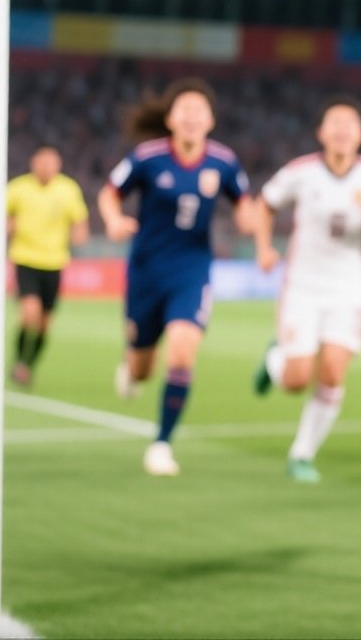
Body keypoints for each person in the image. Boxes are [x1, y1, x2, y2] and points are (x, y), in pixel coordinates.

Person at [98, 78, 255, 477]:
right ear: (170, 119)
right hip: (147, 271)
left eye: (199, 111)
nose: (191, 117)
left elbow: (244, 203)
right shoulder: (147, 157)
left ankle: (162, 444)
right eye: (184, 110)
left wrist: (248, 220)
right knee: (142, 368)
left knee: (183, 353)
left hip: (192, 271)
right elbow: (110, 192)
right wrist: (114, 220)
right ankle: (131, 369)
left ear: (211, 121)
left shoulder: (223, 161)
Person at [251, 98, 361, 483]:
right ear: (321, 132)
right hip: (303, 284)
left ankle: (302, 454)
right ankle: (274, 361)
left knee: (333, 373)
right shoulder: (301, 173)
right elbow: (264, 205)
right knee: (296, 380)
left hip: (347, 286)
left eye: (349, 124)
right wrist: (264, 247)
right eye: (334, 123)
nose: (341, 130)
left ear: (360, 135)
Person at [4, 144, 90, 388]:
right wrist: (9, 225)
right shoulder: (18, 188)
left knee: (44, 322)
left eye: (51, 163)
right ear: (34, 163)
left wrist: (80, 233)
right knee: (29, 312)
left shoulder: (68, 189)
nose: (46, 167)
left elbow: (79, 218)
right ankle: (19, 361)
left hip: (54, 262)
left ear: (58, 165)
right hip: (25, 258)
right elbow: (4, 214)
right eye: (42, 162)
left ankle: (28, 365)